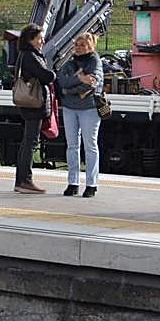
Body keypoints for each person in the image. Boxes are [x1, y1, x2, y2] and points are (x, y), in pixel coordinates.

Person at [57, 32, 103, 198]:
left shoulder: (95, 61)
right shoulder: (69, 62)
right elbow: (62, 81)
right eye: (77, 44)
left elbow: (94, 82)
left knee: (90, 146)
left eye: (82, 44)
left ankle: (92, 184)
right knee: (72, 146)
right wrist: (80, 80)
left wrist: (70, 89)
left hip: (89, 109)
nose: (78, 48)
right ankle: (73, 182)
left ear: (91, 46)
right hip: (69, 108)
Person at [14, 23, 55, 194]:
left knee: (27, 142)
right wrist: (52, 73)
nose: (42, 41)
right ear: (30, 39)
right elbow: (46, 76)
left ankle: (21, 180)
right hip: (34, 104)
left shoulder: (25, 55)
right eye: (39, 38)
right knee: (30, 142)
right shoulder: (31, 56)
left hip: (29, 104)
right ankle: (25, 180)